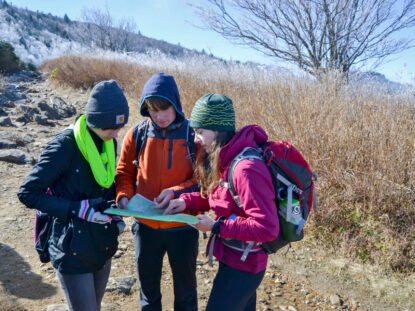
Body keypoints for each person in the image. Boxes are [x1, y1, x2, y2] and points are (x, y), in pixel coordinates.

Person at [18, 80, 129, 311]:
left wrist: (117, 214)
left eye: (120, 126)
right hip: (71, 248)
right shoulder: (64, 145)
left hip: (102, 242)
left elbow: (106, 183)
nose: (117, 132)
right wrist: (76, 209)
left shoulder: (108, 141)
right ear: (95, 120)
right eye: (111, 127)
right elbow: (28, 193)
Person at [162, 93, 279, 311]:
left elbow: (267, 227)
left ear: (218, 130)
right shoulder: (227, 157)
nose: (196, 139)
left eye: (200, 132)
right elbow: (221, 198)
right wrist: (185, 201)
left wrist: (216, 226)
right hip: (234, 256)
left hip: (244, 266)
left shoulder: (246, 169)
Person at [115, 72, 199, 311]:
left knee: (186, 292)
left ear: (176, 105)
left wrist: (175, 192)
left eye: (166, 109)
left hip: (182, 226)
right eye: (153, 110)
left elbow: (203, 181)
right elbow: (124, 173)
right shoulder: (137, 133)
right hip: (145, 227)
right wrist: (123, 197)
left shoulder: (193, 135)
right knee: (148, 292)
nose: (160, 116)